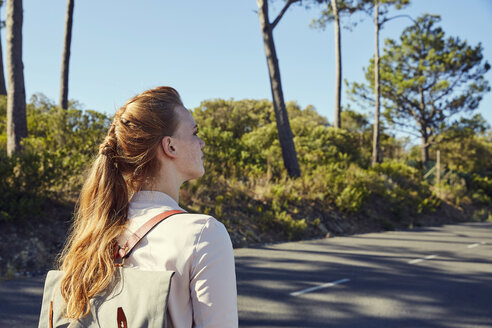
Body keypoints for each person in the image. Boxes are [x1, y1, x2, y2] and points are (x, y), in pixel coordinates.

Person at [57, 86, 238, 327]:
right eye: (194, 133)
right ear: (169, 146)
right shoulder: (203, 233)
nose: (201, 142)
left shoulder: (98, 229)